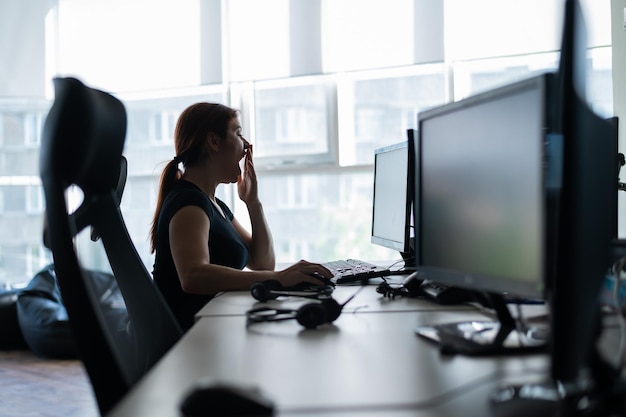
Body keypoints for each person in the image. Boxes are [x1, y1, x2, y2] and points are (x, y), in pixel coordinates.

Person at [150, 102, 332, 330]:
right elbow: (193, 275)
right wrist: (279, 278)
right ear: (214, 142)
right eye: (238, 134)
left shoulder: (216, 205)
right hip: (191, 340)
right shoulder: (188, 203)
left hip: (213, 329)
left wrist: (253, 203)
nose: (247, 146)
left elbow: (262, 262)